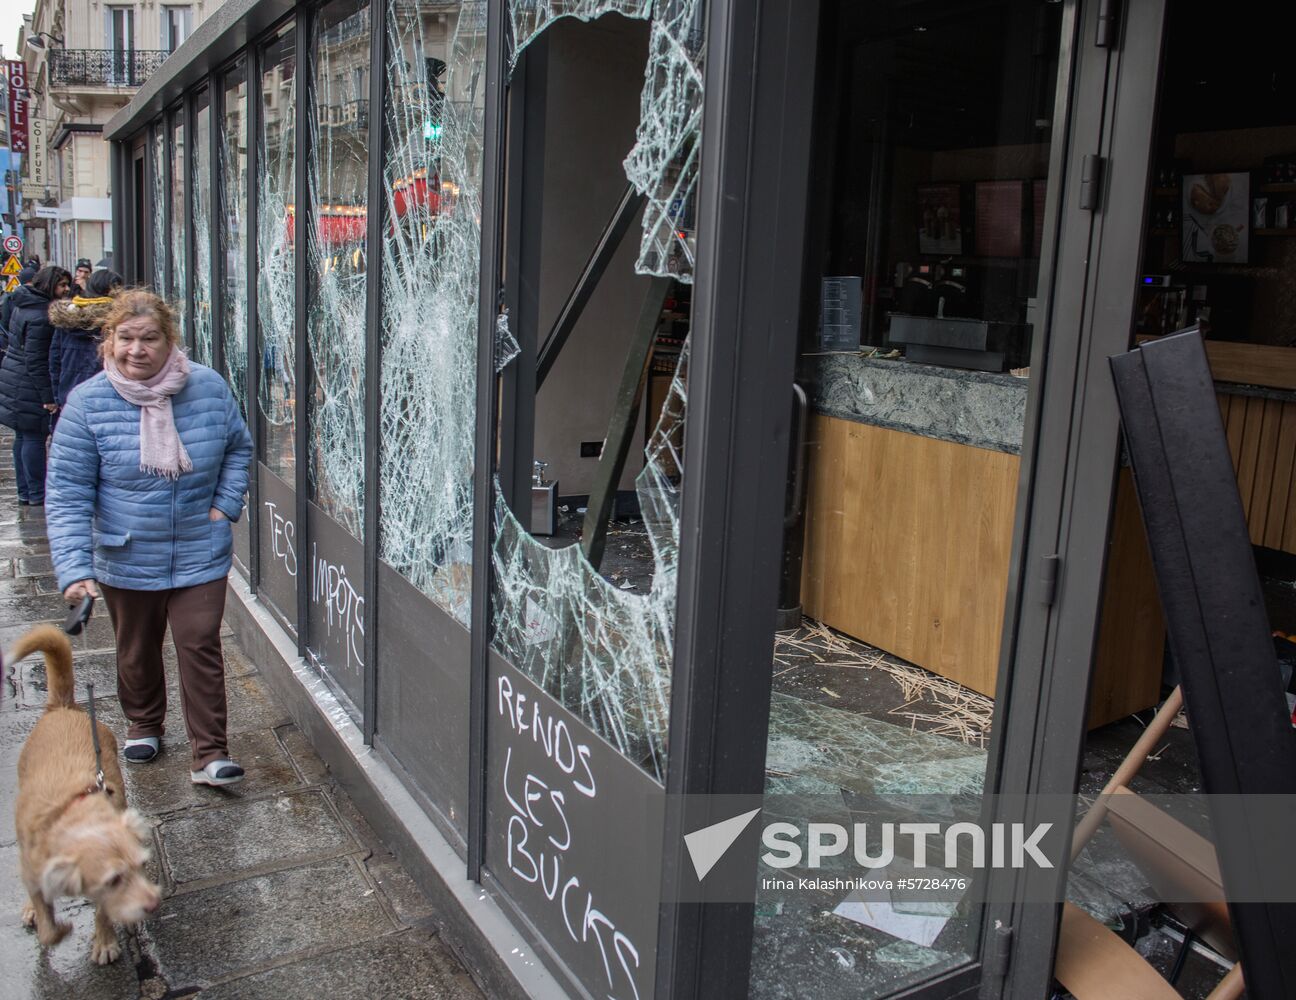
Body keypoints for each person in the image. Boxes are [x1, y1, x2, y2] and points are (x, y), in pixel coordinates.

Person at [45, 290, 253, 786]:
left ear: (170, 341)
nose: (136, 349)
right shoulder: (88, 404)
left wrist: (224, 506)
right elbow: (68, 492)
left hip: (200, 547)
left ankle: (210, 753)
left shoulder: (208, 387)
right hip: (126, 552)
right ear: (108, 342)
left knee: (199, 642)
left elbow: (239, 448)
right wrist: (75, 569)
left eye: (149, 339)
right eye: (126, 338)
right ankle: (144, 723)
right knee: (136, 647)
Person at [0, 266, 72, 505]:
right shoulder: (42, 315)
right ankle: (37, 495)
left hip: (15, 378)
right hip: (28, 384)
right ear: (49, 285)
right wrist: (48, 396)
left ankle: (26, 492)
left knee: (23, 437)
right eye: (61, 285)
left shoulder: (23, 304)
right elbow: (37, 360)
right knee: (33, 438)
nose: (66, 290)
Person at [49, 268, 122, 407]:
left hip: (70, 394)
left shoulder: (66, 318)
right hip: (107, 397)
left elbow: (55, 361)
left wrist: (58, 395)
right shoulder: (116, 319)